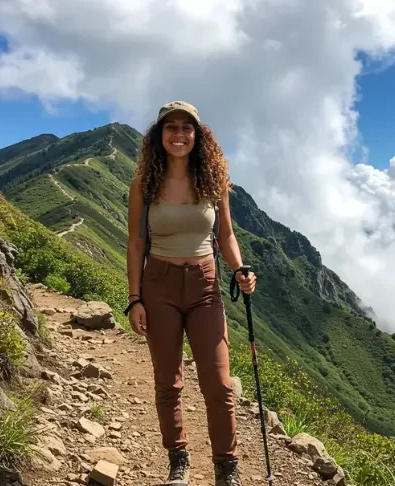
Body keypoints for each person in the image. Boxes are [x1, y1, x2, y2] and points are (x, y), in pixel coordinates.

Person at [125, 100, 257, 486]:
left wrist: (241, 269)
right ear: (159, 134)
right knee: (169, 381)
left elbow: (226, 235)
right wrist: (134, 299)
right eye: (171, 127)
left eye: (187, 127)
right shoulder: (144, 185)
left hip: (205, 286)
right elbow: (135, 243)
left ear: (199, 136)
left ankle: (226, 468)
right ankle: (178, 460)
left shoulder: (213, 182)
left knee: (218, 382)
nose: (178, 134)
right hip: (159, 285)